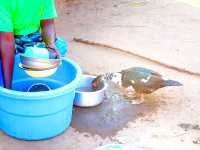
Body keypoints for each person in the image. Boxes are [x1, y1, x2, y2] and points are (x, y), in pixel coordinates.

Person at [0, 0, 67, 89]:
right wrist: (8, 89)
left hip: (31, 37)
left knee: (60, 47)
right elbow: (6, 42)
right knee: (6, 56)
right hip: (5, 35)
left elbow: (47, 22)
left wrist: (50, 44)